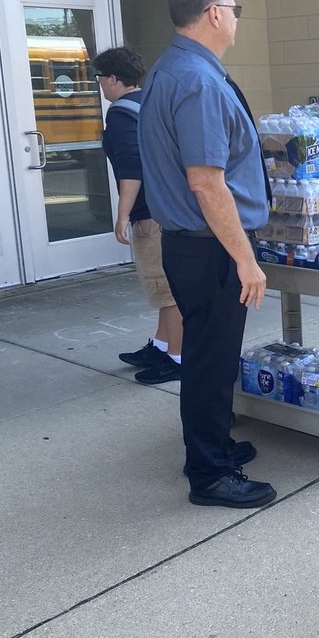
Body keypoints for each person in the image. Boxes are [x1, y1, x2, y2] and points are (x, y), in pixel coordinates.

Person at [138, 0, 275, 509]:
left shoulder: (171, 69)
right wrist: (246, 259)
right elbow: (206, 180)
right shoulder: (195, 80)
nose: (236, 18)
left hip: (193, 244)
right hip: (211, 245)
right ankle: (210, 474)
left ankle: (212, 446)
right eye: (234, 9)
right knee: (210, 361)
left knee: (207, 355)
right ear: (215, 14)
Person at [94, 46, 184, 386]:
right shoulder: (148, 103)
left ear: (114, 79)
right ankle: (162, 345)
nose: (100, 84)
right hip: (168, 207)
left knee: (168, 288)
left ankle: (177, 357)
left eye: (100, 78)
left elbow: (132, 168)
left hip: (150, 213)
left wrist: (122, 215)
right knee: (162, 286)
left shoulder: (120, 114)